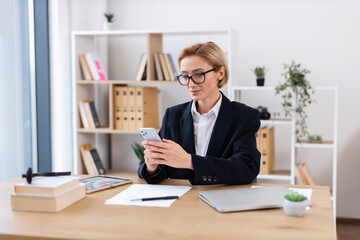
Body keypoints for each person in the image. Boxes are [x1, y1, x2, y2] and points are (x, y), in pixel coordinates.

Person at [138, 42, 260, 185]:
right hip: (183, 203)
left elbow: (247, 168)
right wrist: (152, 167)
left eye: (198, 74)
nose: (191, 84)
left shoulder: (244, 117)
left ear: (220, 73)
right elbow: (162, 170)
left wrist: (189, 161)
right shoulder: (173, 115)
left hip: (224, 199)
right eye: (185, 76)